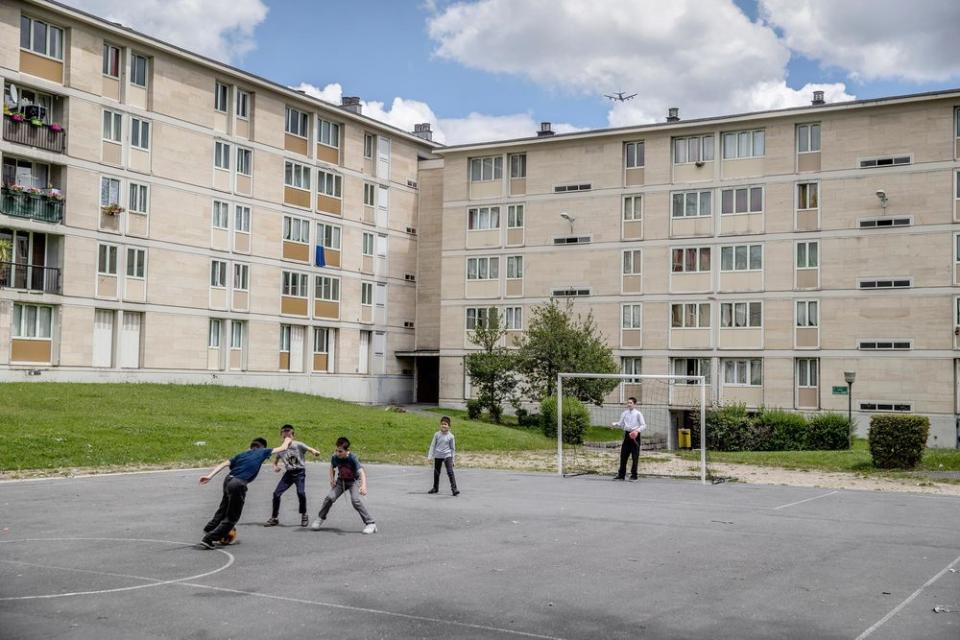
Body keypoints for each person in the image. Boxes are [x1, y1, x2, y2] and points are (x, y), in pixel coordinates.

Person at [198, 434, 293, 549]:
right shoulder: (262, 451)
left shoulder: (241, 455)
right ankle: (209, 538)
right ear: (262, 447)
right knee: (232, 517)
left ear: (251, 446)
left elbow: (224, 464)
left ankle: (209, 528)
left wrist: (209, 476)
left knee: (223, 509)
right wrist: (288, 440)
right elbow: (282, 448)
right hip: (238, 484)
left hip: (228, 480)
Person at [310, 437, 377, 534]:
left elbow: (361, 472)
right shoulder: (335, 457)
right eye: (336, 450)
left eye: (340, 451)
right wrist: (332, 479)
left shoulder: (352, 458)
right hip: (341, 481)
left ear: (347, 451)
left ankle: (371, 523)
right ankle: (320, 518)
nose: (337, 453)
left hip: (353, 481)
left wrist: (363, 486)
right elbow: (332, 467)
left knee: (355, 501)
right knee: (329, 497)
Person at [265, 424, 321, 528]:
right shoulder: (281, 449)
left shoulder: (298, 445)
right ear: (282, 436)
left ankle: (304, 514)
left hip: (299, 472)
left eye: (289, 435)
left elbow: (310, 449)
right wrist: (275, 467)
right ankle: (274, 517)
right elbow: (275, 461)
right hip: (289, 474)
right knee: (276, 494)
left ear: (292, 436)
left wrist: (315, 452)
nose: (286, 437)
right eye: (284, 435)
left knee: (301, 492)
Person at [611, 396, 646, 481]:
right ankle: (621, 475)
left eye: (630, 403)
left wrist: (637, 431)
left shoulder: (638, 413)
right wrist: (615, 424)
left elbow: (644, 425)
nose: (629, 404)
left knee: (635, 456)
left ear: (635, 404)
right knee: (623, 455)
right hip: (627, 435)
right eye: (628, 403)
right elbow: (621, 424)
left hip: (635, 436)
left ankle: (634, 476)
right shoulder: (624, 413)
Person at [427, 416, 459, 496]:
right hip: (438, 455)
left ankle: (454, 489)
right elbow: (432, 446)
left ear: (449, 426)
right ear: (440, 425)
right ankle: (435, 488)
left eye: (445, 424)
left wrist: (453, 460)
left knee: (450, 472)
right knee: (437, 472)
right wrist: (430, 456)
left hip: (447, 456)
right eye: (442, 424)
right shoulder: (437, 435)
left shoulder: (451, 436)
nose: (443, 425)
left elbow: (452, 449)